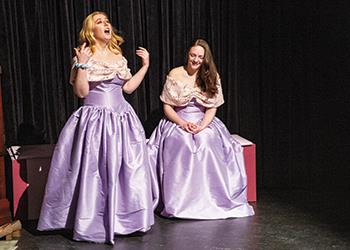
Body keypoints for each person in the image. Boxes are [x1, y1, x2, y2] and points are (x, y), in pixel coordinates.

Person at [37, 11, 154, 244]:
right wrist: (81, 64)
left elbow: (128, 88)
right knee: (95, 172)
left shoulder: (118, 55)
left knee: (124, 171)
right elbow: (81, 92)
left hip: (122, 119)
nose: (106, 24)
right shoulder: (85, 54)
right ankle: (90, 221)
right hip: (95, 120)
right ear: (91, 30)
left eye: (107, 21)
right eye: (100, 22)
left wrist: (145, 66)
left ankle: (123, 220)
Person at [147, 38, 255, 219]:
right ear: (187, 55)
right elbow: (167, 107)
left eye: (199, 57)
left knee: (206, 139)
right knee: (180, 140)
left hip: (203, 120)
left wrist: (202, 126)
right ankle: (180, 201)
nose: (195, 59)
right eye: (192, 55)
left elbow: (212, 107)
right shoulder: (176, 73)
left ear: (205, 59)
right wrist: (182, 123)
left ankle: (209, 199)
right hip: (177, 120)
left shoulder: (212, 76)